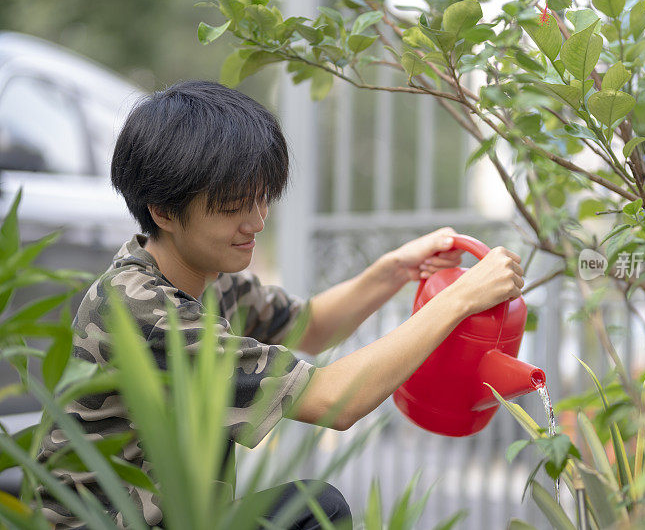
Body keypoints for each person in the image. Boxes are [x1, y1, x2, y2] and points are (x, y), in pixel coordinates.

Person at [37, 80, 524, 529]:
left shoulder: (208, 282)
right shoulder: (140, 308)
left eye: (262, 198)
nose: (256, 222)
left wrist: (396, 268)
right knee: (318, 508)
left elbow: (310, 326)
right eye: (232, 206)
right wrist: (461, 298)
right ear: (163, 211)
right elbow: (336, 401)